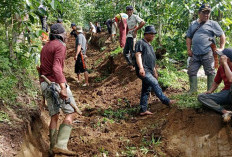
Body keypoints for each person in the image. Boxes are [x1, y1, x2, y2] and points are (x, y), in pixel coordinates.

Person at [39, 23, 78, 155]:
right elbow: (56, 68)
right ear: (60, 35)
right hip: (56, 84)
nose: (66, 36)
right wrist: (63, 87)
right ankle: (61, 145)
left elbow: (41, 70)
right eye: (65, 34)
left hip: (45, 84)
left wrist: (43, 95)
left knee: (54, 116)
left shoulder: (45, 47)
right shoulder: (60, 46)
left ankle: (52, 149)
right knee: (71, 112)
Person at [135, 26, 175, 116]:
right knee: (154, 83)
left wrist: (154, 71)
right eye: (151, 34)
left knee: (146, 89)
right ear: (146, 34)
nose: (153, 36)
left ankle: (143, 109)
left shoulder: (150, 46)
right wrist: (141, 68)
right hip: (144, 70)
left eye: (154, 34)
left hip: (149, 70)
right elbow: (138, 55)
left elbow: (152, 60)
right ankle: (166, 101)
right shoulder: (140, 42)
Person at [186, 3, 226, 93]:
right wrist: (188, 49)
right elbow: (188, 37)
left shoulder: (213, 24)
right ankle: (193, 90)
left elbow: (222, 35)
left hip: (207, 52)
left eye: (208, 13)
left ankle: (210, 91)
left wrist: (221, 47)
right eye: (204, 13)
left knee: (210, 71)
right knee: (191, 71)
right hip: (195, 53)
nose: (206, 15)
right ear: (199, 13)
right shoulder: (193, 24)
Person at [198, 48, 232, 122]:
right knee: (201, 97)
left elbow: (231, 79)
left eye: (221, 57)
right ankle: (225, 112)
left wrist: (225, 64)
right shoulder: (221, 68)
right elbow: (216, 82)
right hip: (226, 93)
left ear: (227, 59)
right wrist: (210, 91)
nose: (219, 59)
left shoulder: (225, 65)